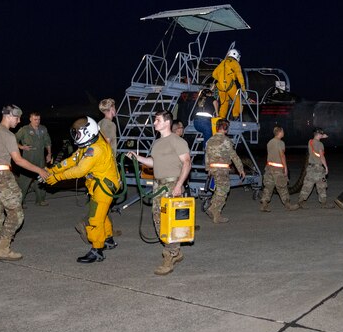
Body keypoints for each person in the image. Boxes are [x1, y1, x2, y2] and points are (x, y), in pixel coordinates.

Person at [45, 117, 120, 263]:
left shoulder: (95, 149)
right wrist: (53, 170)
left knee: (94, 219)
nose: (76, 137)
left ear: (87, 132)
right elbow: (73, 159)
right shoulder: (92, 143)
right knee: (102, 215)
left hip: (103, 187)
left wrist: (57, 177)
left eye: (78, 134)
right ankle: (108, 240)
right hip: (101, 184)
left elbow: (79, 170)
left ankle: (97, 250)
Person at [0, 105, 49, 262]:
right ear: (9, 116)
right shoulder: (8, 135)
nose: (18, 121)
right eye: (17, 118)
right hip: (2, 177)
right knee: (16, 214)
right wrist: (40, 170)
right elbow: (18, 160)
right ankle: (3, 248)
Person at [127, 110, 191, 275]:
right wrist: (138, 157)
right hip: (158, 186)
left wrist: (179, 185)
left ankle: (170, 256)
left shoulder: (177, 141)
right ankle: (175, 251)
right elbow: (153, 162)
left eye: (157, 120)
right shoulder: (156, 143)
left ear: (167, 122)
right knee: (158, 221)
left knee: (171, 222)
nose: (154, 123)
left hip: (172, 185)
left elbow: (186, 163)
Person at [204, 118, 245, 223]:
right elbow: (234, 156)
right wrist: (241, 169)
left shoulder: (210, 140)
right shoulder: (226, 141)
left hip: (213, 169)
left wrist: (208, 168)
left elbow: (207, 156)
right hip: (222, 170)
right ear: (226, 128)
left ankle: (212, 209)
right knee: (223, 191)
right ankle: (215, 212)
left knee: (219, 191)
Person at [15, 112, 52, 207]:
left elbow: (47, 142)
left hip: (40, 159)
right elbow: (14, 140)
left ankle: (41, 200)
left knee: (41, 180)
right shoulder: (24, 129)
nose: (37, 121)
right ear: (30, 119)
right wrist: (21, 147)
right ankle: (20, 202)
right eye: (35, 119)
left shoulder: (43, 129)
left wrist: (49, 153)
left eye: (39, 119)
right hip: (28, 160)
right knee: (24, 183)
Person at [259, 126, 299, 212]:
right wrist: (285, 168)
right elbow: (282, 155)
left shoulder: (270, 142)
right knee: (282, 187)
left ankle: (264, 205)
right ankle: (288, 205)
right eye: (283, 131)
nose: (284, 133)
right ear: (280, 132)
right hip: (277, 169)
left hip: (269, 168)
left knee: (268, 187)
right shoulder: (280, 143)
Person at [298, 128, 331, 209]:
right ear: (319, 134)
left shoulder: (310, 142)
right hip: (318, 168)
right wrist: (326, 167)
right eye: (321, 134)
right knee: (321, 186)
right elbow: (322, 156)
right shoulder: (320, 144)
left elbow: (316, 138)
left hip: (310, 168)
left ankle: (301, 202)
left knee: (307, 186)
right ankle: (323, 203)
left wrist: (321, 136)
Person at [212, 48, 246, 119]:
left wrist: (221, 78)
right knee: (238, 101)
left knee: (224, 103)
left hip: (221, 87)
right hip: (230, 86)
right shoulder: (235, 63)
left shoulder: (222, 63)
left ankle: (221, 118)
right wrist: (243, 88)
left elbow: (214, 74)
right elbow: (240, 77)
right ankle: (236, 115)